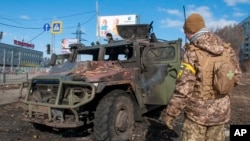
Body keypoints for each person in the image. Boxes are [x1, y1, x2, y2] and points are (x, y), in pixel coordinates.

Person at [165, 13, 242, 141]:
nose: (186, 35)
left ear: (190, 31)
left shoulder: (191, 52)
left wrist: (171, 113)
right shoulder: (227, 49)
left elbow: (184, 89)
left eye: (186, 32)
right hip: (221, 113)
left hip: (196, 115)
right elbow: (237, 77)